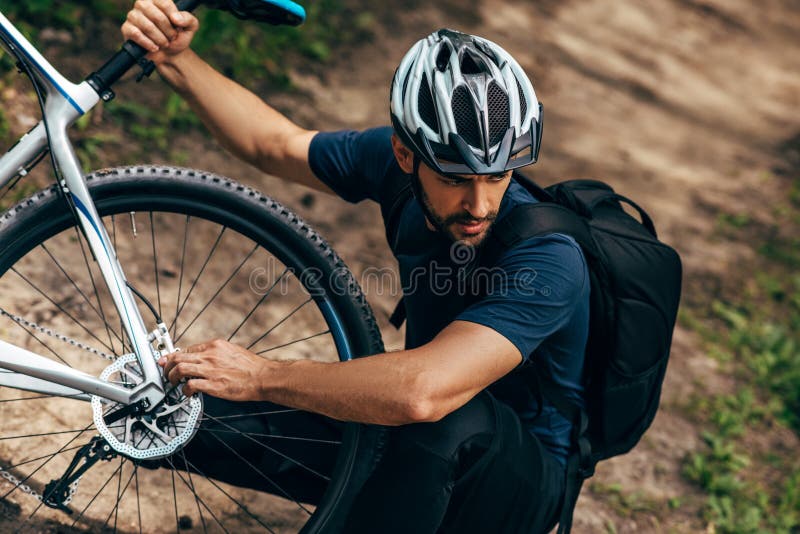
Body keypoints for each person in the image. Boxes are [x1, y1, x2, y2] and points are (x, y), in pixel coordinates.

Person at [122, 2, 590, 532]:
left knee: (436, 416)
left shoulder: (550, 257)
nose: (480, 204)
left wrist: (264, 375)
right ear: (405, 153)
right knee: (184, 416)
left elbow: (422, 392)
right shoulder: (393, 165)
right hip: (427, 435)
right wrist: (177, 58)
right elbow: (273, 144)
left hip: (516, 482)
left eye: (498, 176)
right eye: (456, 178)